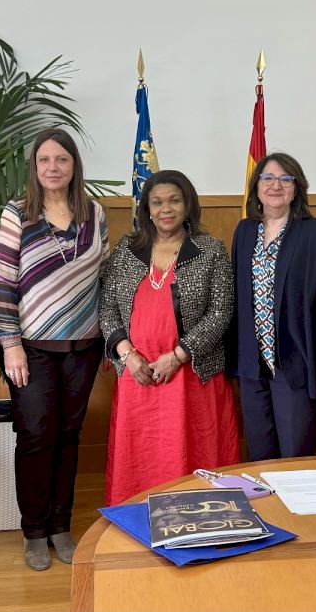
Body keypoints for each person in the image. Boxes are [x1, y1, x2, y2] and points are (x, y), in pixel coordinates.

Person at [0, 128, 108, 571]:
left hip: (84, 346)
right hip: (31, 348)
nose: (53, 167)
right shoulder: (17, 212)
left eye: (61, 159)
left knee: (69, 437)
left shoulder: (94, 213)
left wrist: (111, 341)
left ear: (74, 165)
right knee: (36, 437)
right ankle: (34, 531)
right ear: (34, 167)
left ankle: (61, 526)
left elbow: (105, 279)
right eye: (44, 160)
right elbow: (1, 281)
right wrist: (10, 345)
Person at [101, 169, 238, 504]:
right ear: (146, 209)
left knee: (195, 456)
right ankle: (137, 518)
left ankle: (203, 518)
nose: (166, 209)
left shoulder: (211, 250)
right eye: (157, 202)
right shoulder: (127, 249)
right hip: (138, 376)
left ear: (187, 205)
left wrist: (178, 356)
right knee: (140, 459)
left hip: (192, 375)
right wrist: (127, 355)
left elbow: (221, 312)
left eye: (174, 200)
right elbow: (107, 308)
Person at [229, 153, 316, 460]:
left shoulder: (313, 231)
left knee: (294, 457)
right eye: (267, 178)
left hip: (296, 362)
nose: (275, 185)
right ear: (256, 186)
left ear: (296, 188)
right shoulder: (245, 231)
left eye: (285, 179)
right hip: (252, 365)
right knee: (259, 457)